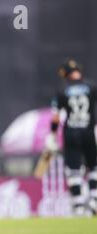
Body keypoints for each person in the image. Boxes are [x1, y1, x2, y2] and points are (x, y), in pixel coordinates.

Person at [46, 59, 97, 216]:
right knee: (94, 167)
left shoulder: (62, 90)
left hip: (72, 133)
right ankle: (94, 199)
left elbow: (55, 117)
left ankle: (79, 205)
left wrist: (52, 135)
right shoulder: (91, 87)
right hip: (89, 131)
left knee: (74, 170)